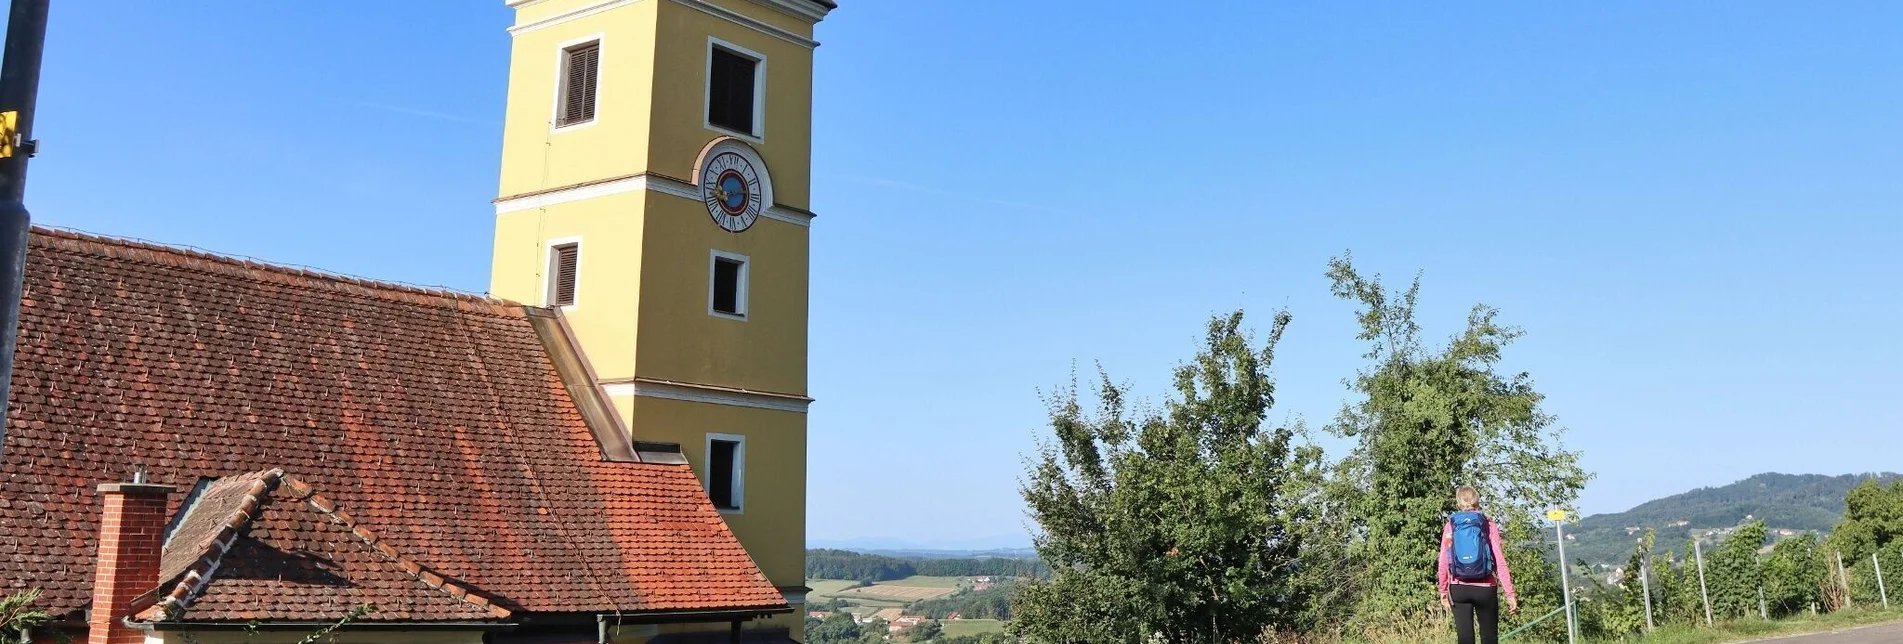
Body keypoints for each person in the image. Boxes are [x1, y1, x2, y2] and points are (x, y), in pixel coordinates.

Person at [1438, 485, 1518, 644]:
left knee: (1465, 639)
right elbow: (1500, 561)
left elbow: (1444, 560)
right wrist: (1510, 593)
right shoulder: (1488, 525)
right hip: (1485, 588)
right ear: (1477, 501)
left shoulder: (1451, 525)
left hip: (1459, 588)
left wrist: (1443, 589)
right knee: (1489, 638)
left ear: (1459, 502)